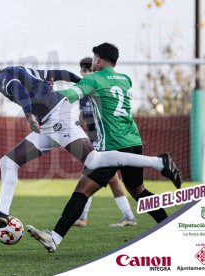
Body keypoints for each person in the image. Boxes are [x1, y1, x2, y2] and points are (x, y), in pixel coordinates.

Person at [0, 58, 181, 231]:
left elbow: (19, 90)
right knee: (8, 162)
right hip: (49, 122)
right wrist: (81, 82)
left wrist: (28, 114)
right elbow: (58, 74)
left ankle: (159, 162)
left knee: (94, 160)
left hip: (55, 117)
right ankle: (2, 213)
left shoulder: (2, 78)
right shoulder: (20, 69)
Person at [27, 42, 174, 253]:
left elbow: (69, 94)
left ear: (98, 59)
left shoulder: (93, 79)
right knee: (138, 190)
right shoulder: (125, 79)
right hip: (134, 141)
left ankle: (55, 238)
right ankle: (170, 229)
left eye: (94, 58)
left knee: (82, 189)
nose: (92, 61)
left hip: (112, 147)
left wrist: (41, 100)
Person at [74, 57, 136, 228]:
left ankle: (82, 217)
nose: (85, 73)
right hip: (95, 141)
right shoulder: (83, 94)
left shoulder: (100, 89)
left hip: (106, 141)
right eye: (82, 70)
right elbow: (82, 116)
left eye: (88, 69)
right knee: (113, 180)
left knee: (87, 177)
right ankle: (128, 216)